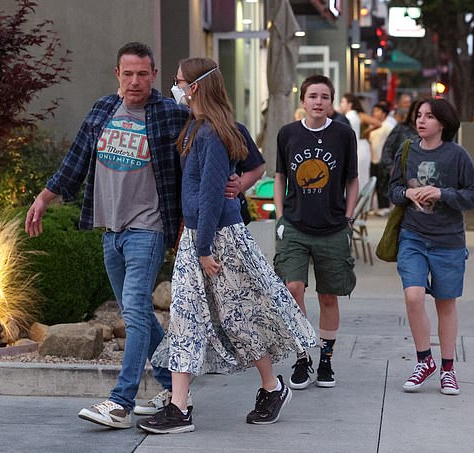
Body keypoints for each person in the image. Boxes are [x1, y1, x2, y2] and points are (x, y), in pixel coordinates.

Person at [24, 42, 262, 430]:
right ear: (117, 74)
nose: (135, 81)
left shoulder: (172, 113)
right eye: (128, 73)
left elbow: (226, 134)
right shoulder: (102, 110)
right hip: (110, 229)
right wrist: (44, 197)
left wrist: (239, 179)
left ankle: (120, 402)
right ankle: (172, 390)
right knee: (139, 317)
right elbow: (75, 161)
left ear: (154, 76)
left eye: (142, 74)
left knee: (134, 309)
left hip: (148, 229)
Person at [137, 57, 317, 434]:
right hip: (199, 239)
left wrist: (202, 249)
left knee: (238, 317)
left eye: (180, 82)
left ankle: (270, 387)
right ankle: (180, 406)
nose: (176, 88)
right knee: (186, 318)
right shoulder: (196, 128)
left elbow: (210, 198)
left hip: (216, 240)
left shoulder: (213, 134)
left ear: (196, 87)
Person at [388, 98, 474, 396]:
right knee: (413, 296)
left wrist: (442, 193)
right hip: (413, 236)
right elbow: (392, 190)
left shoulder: (458, 155)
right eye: (419, 115)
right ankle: (423, 361)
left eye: (429, 116)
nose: (422, 120)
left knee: (445, 304)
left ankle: (448, 369)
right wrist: (409, 192)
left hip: (448, 241)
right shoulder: (407, 151)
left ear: (442, 123)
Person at [274, 75, 359, 391]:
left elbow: (352, 179)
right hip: (295, 226)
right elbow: (280, 176)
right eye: (313, 96)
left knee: (327, 296)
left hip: (333, 227)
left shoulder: (343, 135)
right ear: (303, 101)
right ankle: (300, 357)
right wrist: (281, 217)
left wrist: (349, 216)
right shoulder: (288, 134)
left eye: (325, 96)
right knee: (293, 287)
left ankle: (325, 359)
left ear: (331, 101)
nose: (318, 101)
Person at [366, 102, 395, 214]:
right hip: (374, 158)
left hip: (384, 160)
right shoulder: (373, 126)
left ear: (384, 114)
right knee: (375, 183)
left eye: (378, 111)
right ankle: (374, 207)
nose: (374, 113)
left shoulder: (388, 126)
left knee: (383, 184)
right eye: (374, 111)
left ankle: (384, 207)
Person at [339, 93, 370, 190]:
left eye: (343, 102)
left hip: (357, 150)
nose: (341, 104)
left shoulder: (348, 117)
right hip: (361, 148)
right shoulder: (356, 115)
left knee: (357, 178)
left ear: (350, 104)